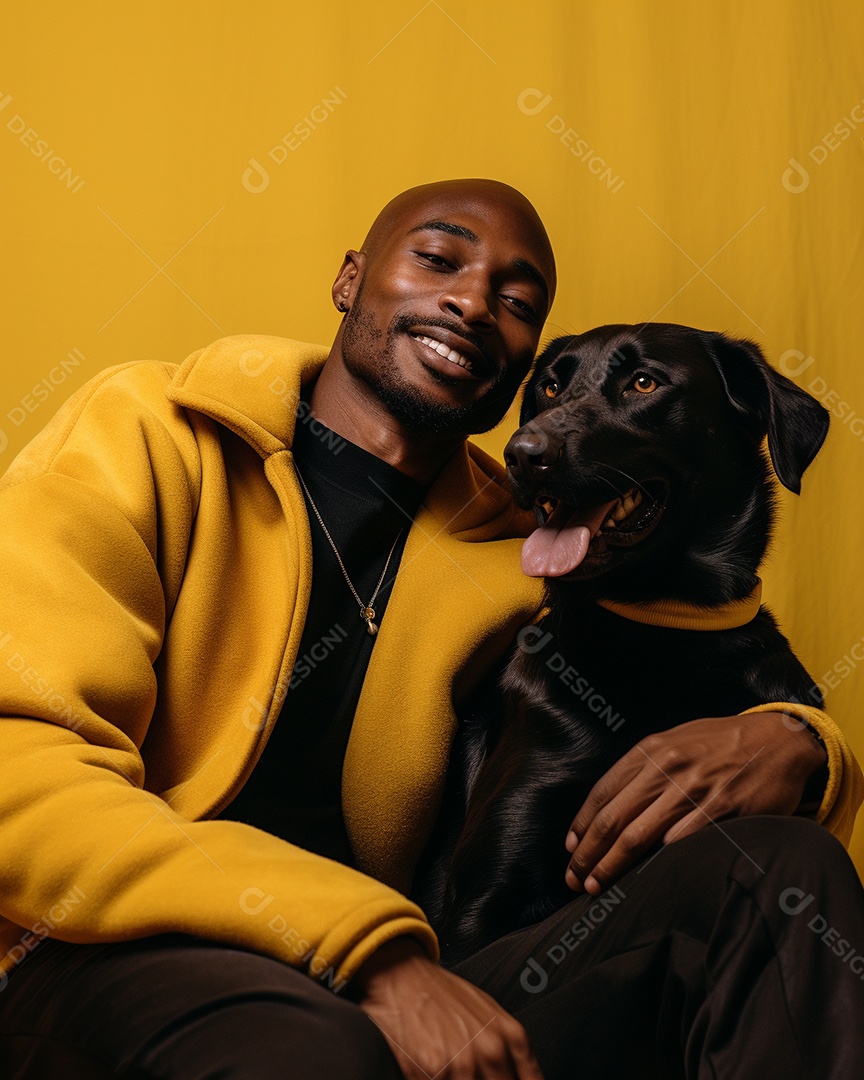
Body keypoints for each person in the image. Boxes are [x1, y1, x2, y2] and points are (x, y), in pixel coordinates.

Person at [0, 178, 861, 1080]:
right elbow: (21, 768)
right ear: (349, 280)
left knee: (774, 878)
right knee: (313, 1049)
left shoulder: (536, 555)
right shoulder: (149, 434)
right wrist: (365, 955)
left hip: (428, 988)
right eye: (439, 259)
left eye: (518, 302)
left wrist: (804, 746)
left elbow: (672, 673)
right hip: (117, 953)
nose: (473, 301)